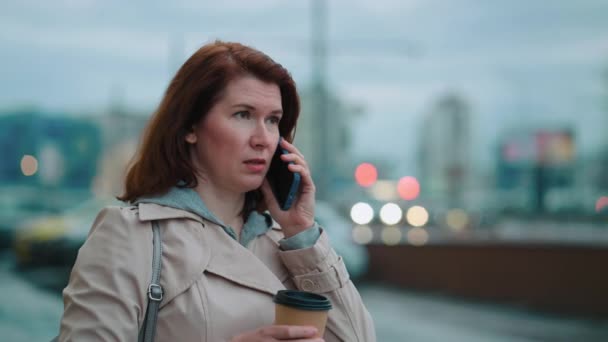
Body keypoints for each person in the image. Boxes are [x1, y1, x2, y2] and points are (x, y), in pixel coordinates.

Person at [57, 40, 376, 341]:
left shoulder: (289, 245)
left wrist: (302, 230)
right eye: (243, 115)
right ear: (190, 127)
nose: (263, 138)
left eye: (273, 120)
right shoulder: (132, 238)